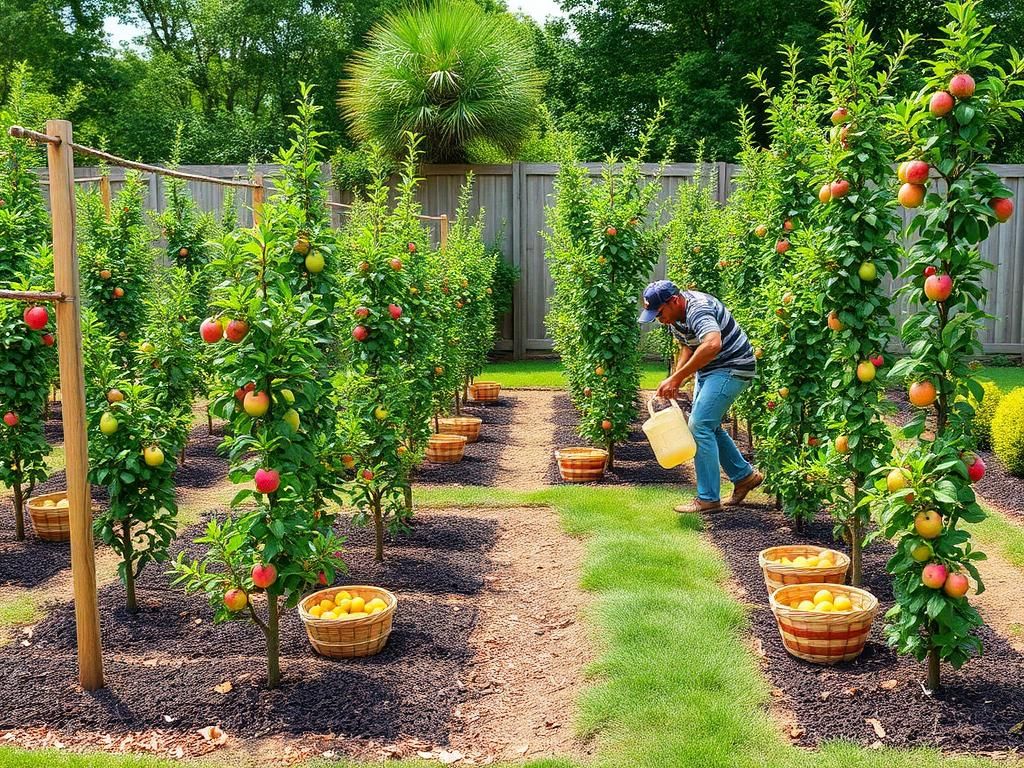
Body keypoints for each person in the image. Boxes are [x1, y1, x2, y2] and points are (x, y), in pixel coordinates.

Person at [638, 279, 763, 513]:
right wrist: (679, 376)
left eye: (660, 312)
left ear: (674, 300)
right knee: (710, 426)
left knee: (700, 425)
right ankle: (744, 477)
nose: (658, 318)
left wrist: (676, 378)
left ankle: (708, 499)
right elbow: (686, 346)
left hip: (733, 366)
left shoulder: (698, 308)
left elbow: (713, 344)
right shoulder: (675, 316)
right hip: (711, 368)